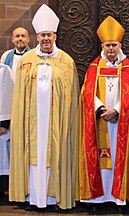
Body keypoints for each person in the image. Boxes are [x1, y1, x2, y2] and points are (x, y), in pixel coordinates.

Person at [9, 4, 79, 210]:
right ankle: (34, 198)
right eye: (42, 35)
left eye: (49, 35)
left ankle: (53, 197)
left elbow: (71, 95)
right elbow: (19, 95)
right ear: (37, 37)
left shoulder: (66, 61)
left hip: (56, 120)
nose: (46, 39)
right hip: (32, 121)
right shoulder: (27, 61)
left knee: (55, 156)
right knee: (33, 157)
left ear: (55, 36)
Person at [79, 16, 129, 209]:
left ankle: (118, 196)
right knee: (99, 156)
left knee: (117, 157)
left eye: (114, 45)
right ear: (102, 46)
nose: (111, 49)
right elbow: (87, 92)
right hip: (99, 121)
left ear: (120, 45)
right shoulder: (93, 67)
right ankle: (97, 197)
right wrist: (100, 109)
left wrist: (116, 110)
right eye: (108, 45)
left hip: (120, 121)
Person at [0, 63, 13, 200]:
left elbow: (7, 96)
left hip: (1, 124)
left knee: (2, 159)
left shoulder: (3, 70)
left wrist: (4, 123)